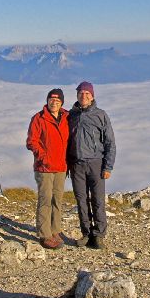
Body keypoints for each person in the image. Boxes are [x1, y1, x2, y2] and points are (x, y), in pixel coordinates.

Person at [66, 80, 115, 249]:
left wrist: (108, 166)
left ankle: (99, 235)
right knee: (81, 200)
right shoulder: (71, 115)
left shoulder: (101, 115)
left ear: (92, 96)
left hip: (96, 163)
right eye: (81, 93)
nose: (84, 96)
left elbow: (110, 143)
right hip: (76, 164)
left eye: (87, 94)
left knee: (98, 200)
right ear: (77, 95)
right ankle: (86, 233)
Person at [26, 88, 70, 249]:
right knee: (45, 200)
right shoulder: (39, 118)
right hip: (44, 168)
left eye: (57, 101)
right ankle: (45, 235)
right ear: (47, 101)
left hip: (61, 167)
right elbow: (32, 141)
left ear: (62, 103)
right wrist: (44, 158)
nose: (54, 102)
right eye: (51, 99)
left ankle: (55, 230)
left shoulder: (66, 117)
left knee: (57, 199)